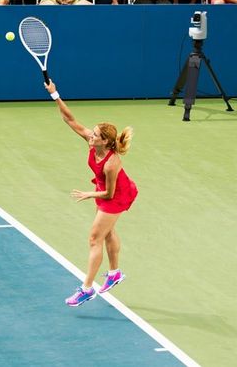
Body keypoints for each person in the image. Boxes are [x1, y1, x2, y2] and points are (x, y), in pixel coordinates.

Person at [43, 81, 138, 307]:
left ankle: (86, 289)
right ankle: (114, 273)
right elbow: (70, 119)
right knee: (108, 231)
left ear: (105, 141)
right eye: (92, 133)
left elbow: (110, 193)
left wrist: (89, 194)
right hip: (104, 190)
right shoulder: (92, 142)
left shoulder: (112, 163)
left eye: (95, 135)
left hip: (116, 195)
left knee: (95, 238)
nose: (90, 136)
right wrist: (55, 94)